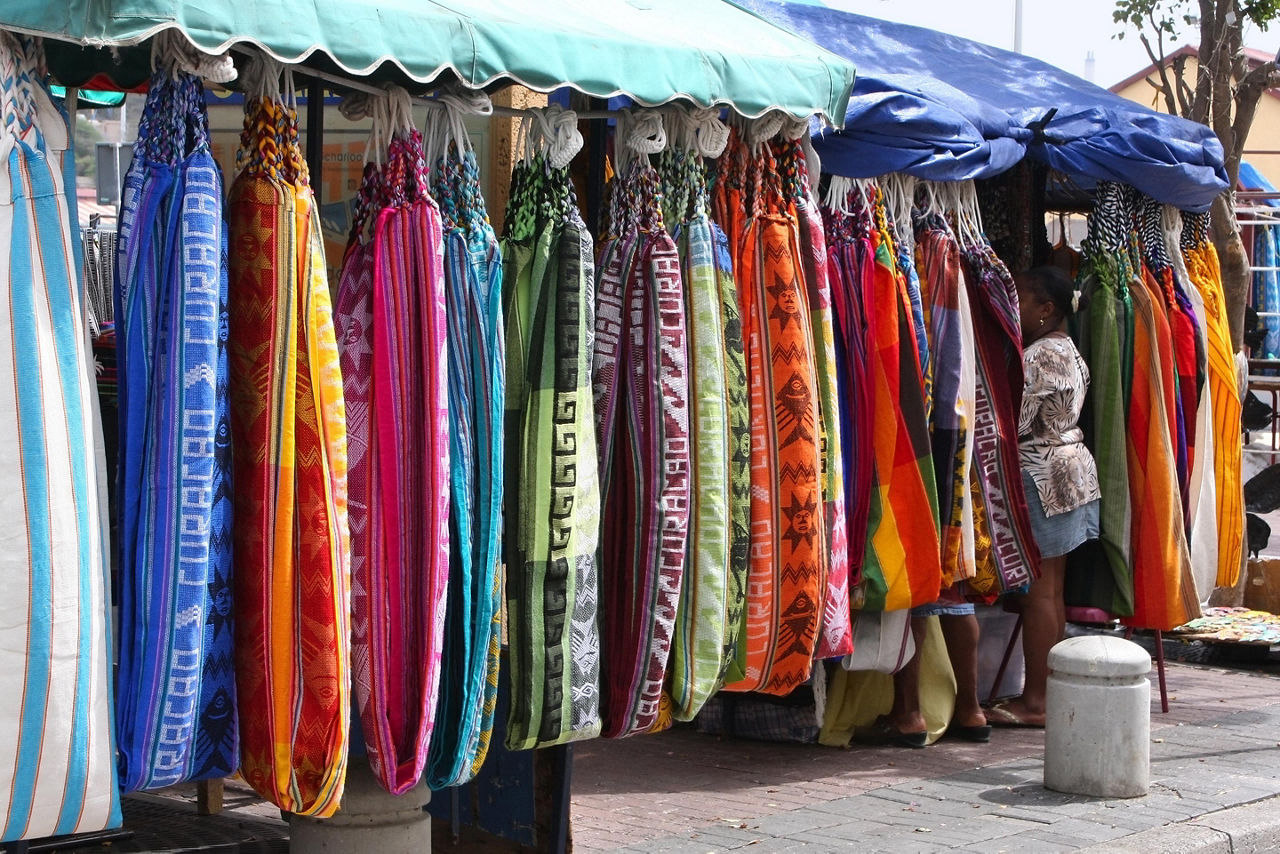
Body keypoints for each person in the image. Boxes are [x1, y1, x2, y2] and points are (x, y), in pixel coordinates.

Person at [987, 265, 1101, 728]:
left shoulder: (1038, 357)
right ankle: (1045, 695)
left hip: (1043, 475)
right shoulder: (1068, 351)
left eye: (1023, 301)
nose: (1016, 309)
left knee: (1039, 594)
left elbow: (1015, 423)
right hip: (1069, 472)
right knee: (1050, 591)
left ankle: (1035, 700)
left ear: (1046, 309)